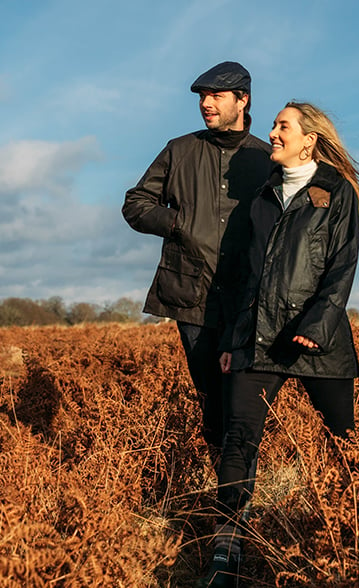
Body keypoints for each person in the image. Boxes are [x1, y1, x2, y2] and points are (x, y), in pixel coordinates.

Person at [197, 101, 359, 587]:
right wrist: (233, 338)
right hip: (257, 338)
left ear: (309, 139)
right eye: (273, 125)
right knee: (239, 440)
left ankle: (353, 536)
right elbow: (248, 274)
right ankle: (225, 553)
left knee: (343, 441)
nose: (271, 132)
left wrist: (316, 325)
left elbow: (341, 269)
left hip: (319, 340)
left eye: (282, 126)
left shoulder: (338, 193)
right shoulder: (263, 195)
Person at [122, 61, 273, 464]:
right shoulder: (179, 149)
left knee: (242, 398)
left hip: (248, 299)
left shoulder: (267, 158)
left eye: (216, 96)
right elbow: (135, 204)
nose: (206, 104)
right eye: (202, 97)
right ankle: (217, 479)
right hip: (192, 295)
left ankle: (239, 490)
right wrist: (178, 223)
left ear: (243, 100)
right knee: (209, 393)